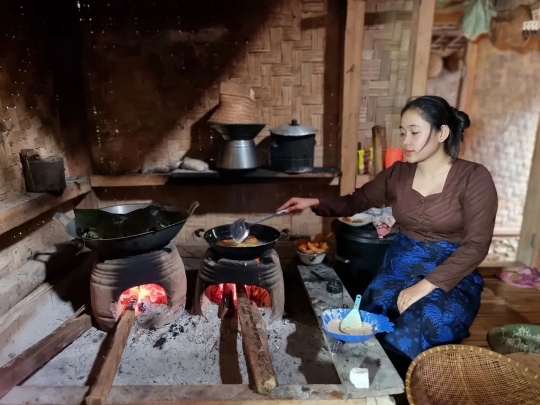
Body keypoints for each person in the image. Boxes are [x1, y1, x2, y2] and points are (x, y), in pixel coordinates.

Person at [278, 95, 498, 372]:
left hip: (450, 273)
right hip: (400, 265)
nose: (405, 142)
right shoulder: (398, 174)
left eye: (415, 132)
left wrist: (424, 286)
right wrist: (314, 202)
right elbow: (354, 202)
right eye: (403, 132)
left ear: (442, 133)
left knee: (420, 322)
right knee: (368, 323)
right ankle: (375, 389)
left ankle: (416, 389)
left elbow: (476, 246)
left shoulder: (474, 178)